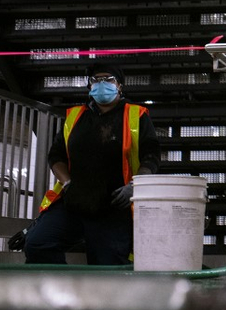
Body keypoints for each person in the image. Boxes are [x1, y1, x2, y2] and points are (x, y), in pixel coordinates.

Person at [23, 63, 160, 265]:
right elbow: (56, 155)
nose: (102, 84)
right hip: (75, 202)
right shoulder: (76, 116)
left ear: (119, 86)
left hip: (113, 207)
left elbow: (152, 155)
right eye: (96, 80)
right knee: (38, 243)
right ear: (89, 86)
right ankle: (61, 293)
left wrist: (134, 187)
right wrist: (67, 183)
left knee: (106, 265)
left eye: (108, 79)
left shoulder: (136, 115)